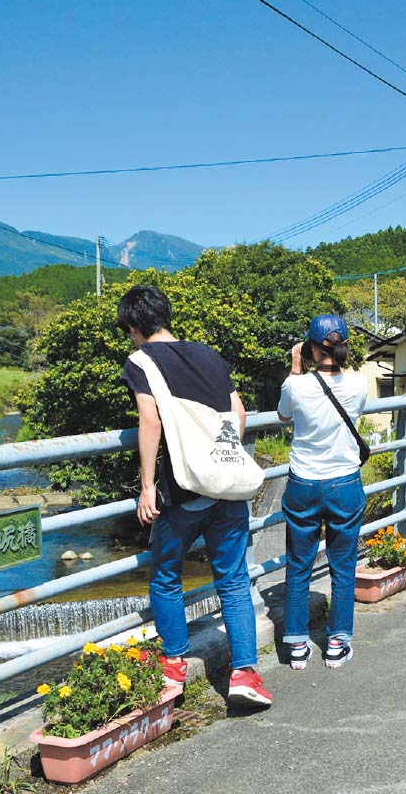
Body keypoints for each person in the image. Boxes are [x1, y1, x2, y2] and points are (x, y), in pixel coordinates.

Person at [118, 285, 272, 707]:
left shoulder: (140, 360)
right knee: (234, 579)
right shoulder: (210, 354)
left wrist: (147, 486)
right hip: (227, 488)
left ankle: (174, 668)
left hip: (183, 489)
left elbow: (149, 422)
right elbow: (237, 414)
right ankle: (244, 674)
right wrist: (221, 456)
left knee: (165, 575)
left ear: (133, 326)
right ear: (165, 316)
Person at [277, 314, 367, 670]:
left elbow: (285, 416)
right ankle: (337, 643)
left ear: (312, 348)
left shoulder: (294, 385)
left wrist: (296, 367)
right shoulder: (360, 384)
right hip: (345, 481)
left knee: (298, 565)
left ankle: (297, 646)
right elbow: (355, 412)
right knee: (343, 567)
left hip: (303, 483)